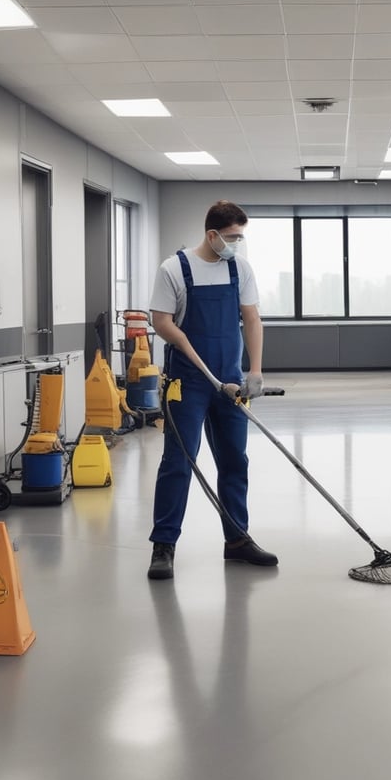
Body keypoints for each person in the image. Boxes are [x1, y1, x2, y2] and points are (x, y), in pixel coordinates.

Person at [147, 200, 278, 580]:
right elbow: (161, 320)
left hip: (230, 383)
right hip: (186, 382)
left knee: (235, 460)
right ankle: (163, 545)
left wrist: (255, 371)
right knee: (179, 461)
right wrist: (183, 342)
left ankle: (237, 539)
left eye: (240, 237)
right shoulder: (174, 268)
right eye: (233, 237)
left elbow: (251, 318)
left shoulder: (240, 268)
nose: (237, 244)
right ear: (212, 234)